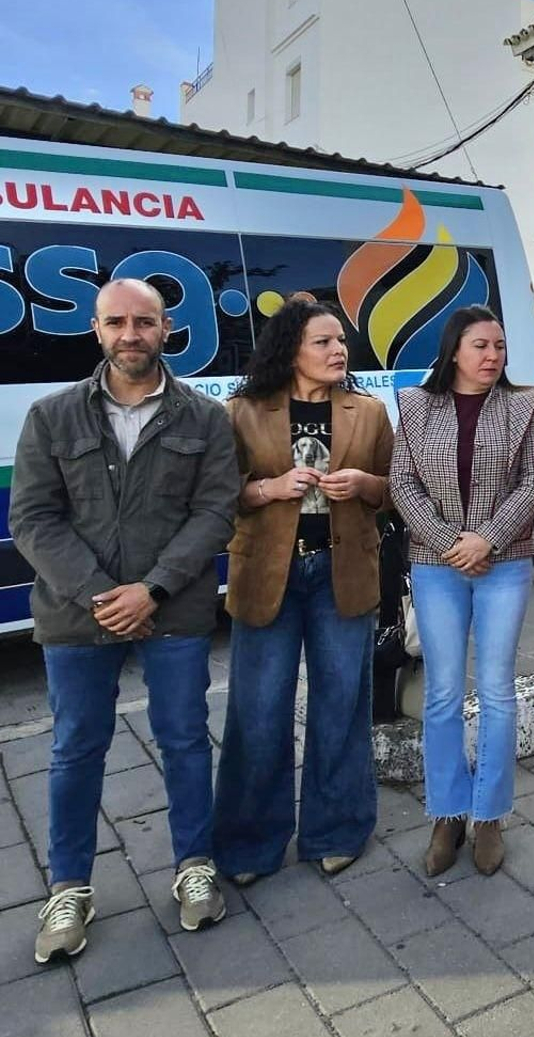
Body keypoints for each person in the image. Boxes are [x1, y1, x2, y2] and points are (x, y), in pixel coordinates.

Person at [13, 279, 238, 962]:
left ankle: (194, 864)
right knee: (76, 749)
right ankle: (70, 888)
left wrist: (154, 590)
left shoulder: (205, 419)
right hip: (77, 618)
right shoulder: (50, 416)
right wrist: (104, 595)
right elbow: (32, 519)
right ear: (96, 328)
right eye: (117, 322)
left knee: (183, 739)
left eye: (144, 322)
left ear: (166, 329)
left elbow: (215, 512)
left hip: (175, 611)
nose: (130, 334)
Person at [213, 300, 393, 885]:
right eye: (323, 342)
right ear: (291, 349)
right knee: (257, 713)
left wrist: (366, 484)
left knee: (342, 706)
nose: (338, 351)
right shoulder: (241, 412)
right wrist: (269, 488)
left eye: (341, 341)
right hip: (270, 574)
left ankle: (337, 830)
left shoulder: (367, 412)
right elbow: (218, 495)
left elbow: (398, 491)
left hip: (343, 574)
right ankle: (249, 844)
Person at [390, 306, 534, 877]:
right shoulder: (416, 406)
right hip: (436, 567)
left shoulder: (524, 404)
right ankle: (447, 812)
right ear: (454, 350)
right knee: (441, 695)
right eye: (481, 345)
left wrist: (486, 540)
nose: (493, 356)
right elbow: (401, 482)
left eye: (500, 346)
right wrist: (446, 542)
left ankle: (489, 815)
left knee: (498, 691)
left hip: (505, 563)